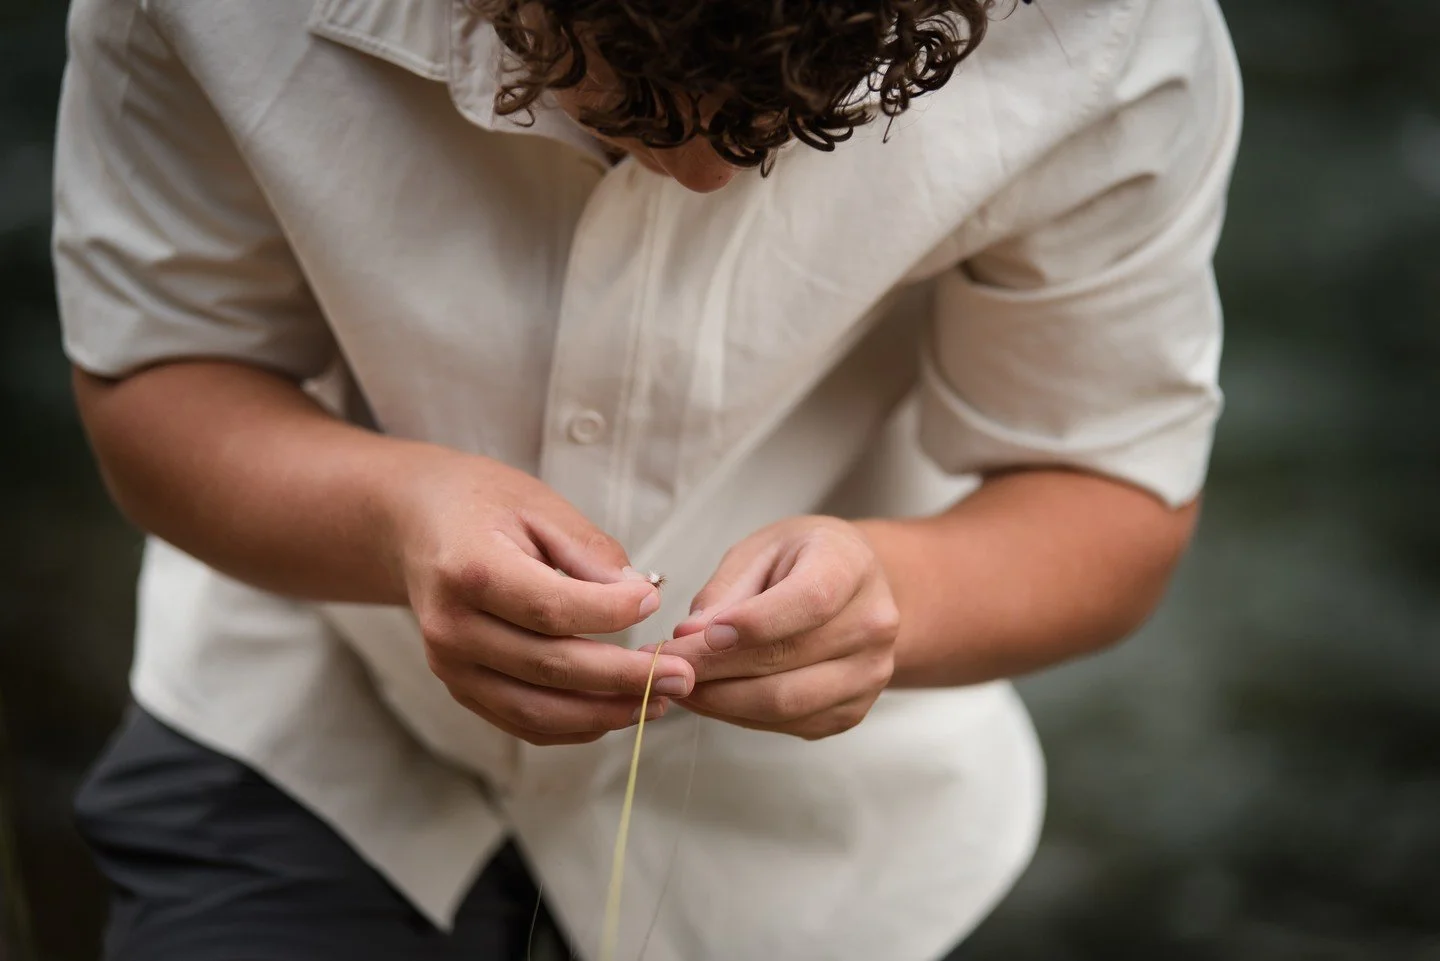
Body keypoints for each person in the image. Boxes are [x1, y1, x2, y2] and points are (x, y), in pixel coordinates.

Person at [51, 0, 1241, 958]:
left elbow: (1107, 489)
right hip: (305, 744)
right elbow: (161, 375)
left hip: (812, 858)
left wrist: (898, 595)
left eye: (793, 118)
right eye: (625, 101)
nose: (700, 174)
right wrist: (395, 521)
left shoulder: (1113, 34)